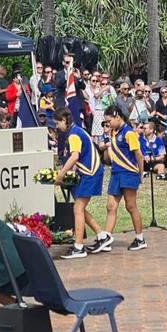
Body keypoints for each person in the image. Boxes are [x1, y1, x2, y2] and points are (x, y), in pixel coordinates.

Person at [88, 105, 146, 253]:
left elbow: (139, 155)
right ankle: (106, 237)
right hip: (116, 173)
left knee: (131, 206)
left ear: (118, 117)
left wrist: (141, 172)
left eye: (109, 121)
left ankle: (140, 238)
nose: (107, 124)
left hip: (128, 172)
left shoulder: (129, 133)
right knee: (111, 206)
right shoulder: (113, 133)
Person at [53, 108, 105, 259]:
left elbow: (75, 156)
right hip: (90, 171)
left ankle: (79, 246)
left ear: (64, 120)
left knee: (78, 208)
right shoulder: (77, 130)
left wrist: (61, 174)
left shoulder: (74, 134)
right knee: (79, 207)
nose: (57, 127)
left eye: (57, 123)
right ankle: (102, 235)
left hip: (90, 173)